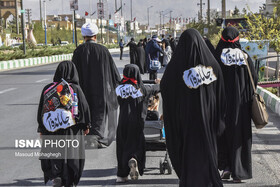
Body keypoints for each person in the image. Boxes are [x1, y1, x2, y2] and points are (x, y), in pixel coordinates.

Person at [160, 28, 226, 187]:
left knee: (187, 152)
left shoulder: (176, 68)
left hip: (185, 121)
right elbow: (221, 94)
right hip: (208, 121)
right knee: (207, 150)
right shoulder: (212, 65)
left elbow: (165, 87)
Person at [37, 61, 91, 187]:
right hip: (72, 130)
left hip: (51, 128)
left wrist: (41, 128)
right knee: (72, 155)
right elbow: (84, 109)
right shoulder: (75, 89)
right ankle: (69, 180)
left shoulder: (48, 89)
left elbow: (41, 111)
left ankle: (56, 175)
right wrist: (86, 126)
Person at [215, 26, 258, 183]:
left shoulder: (217, 57)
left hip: (221, 105)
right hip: (241, 106)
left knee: (222, 134)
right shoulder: (244, 56)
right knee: (239, 136)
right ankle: (239, 172)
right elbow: (254, 78)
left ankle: (226, 166)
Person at [72, 23, 121, 148]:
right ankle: (96, 137)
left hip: (82, 89)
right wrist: (119, 85)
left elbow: (73, 72)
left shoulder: (78, 51)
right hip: (101, 90)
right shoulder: (103, 50)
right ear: (95, 35)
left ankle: (85, 135)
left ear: (84, 36)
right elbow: (113, 71)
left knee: (84, 111)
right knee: (99, 112)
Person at [115, 64, 160, 183]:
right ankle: (134, 158)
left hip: (122, 121)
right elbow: (156, 88)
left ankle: (121, 176)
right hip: (136, 122)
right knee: (137, 144)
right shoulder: (143, 90)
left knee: (122, 146)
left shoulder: (119, 89)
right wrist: (158, 82)